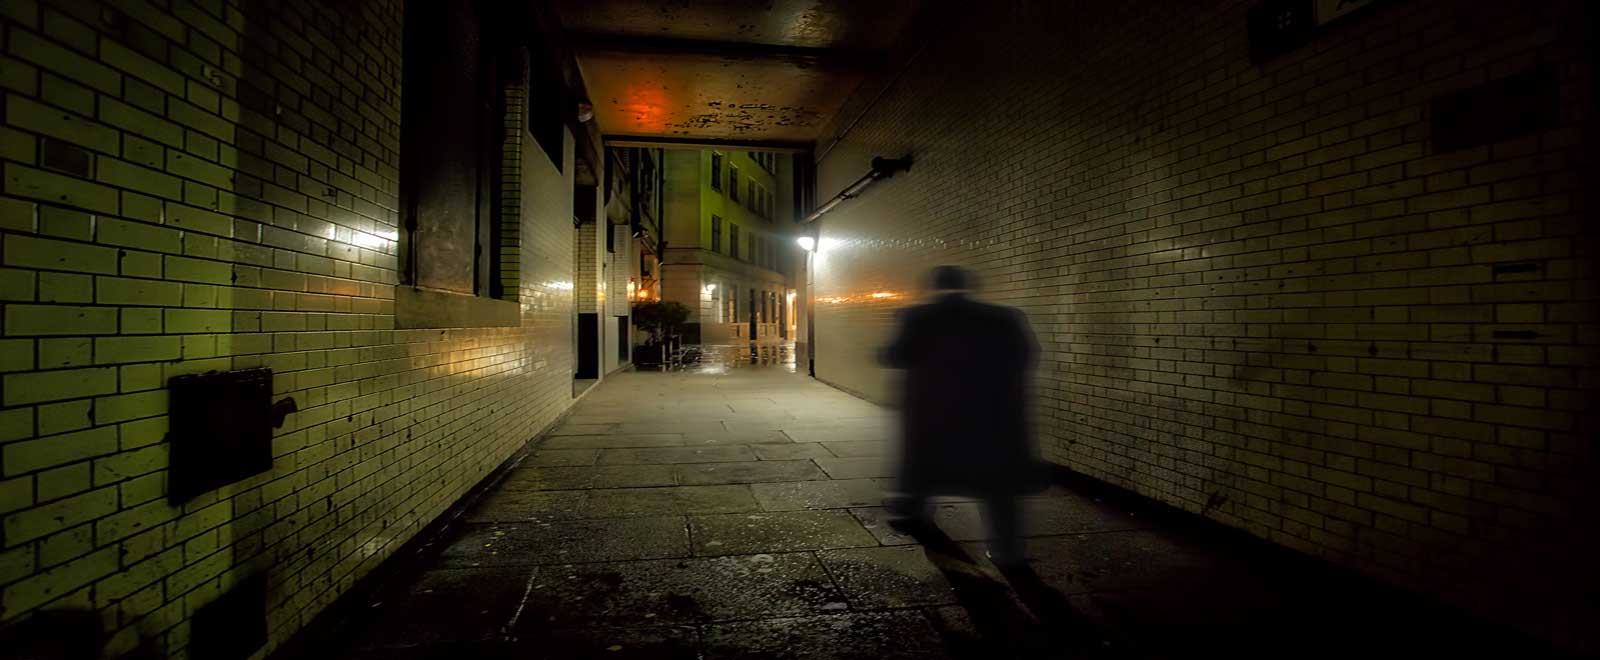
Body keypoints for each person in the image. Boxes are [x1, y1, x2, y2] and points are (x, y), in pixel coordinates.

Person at [879, 265, 1043, 568]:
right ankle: (1007, 552)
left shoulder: (916, 317)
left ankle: (912, 515)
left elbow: (893, 356)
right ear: (971, 285)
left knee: (924, 469)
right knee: (997, 485)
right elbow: (1027, 357)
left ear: (934, 285)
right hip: (991, 414)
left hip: (934, 414)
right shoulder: (1007, 317)